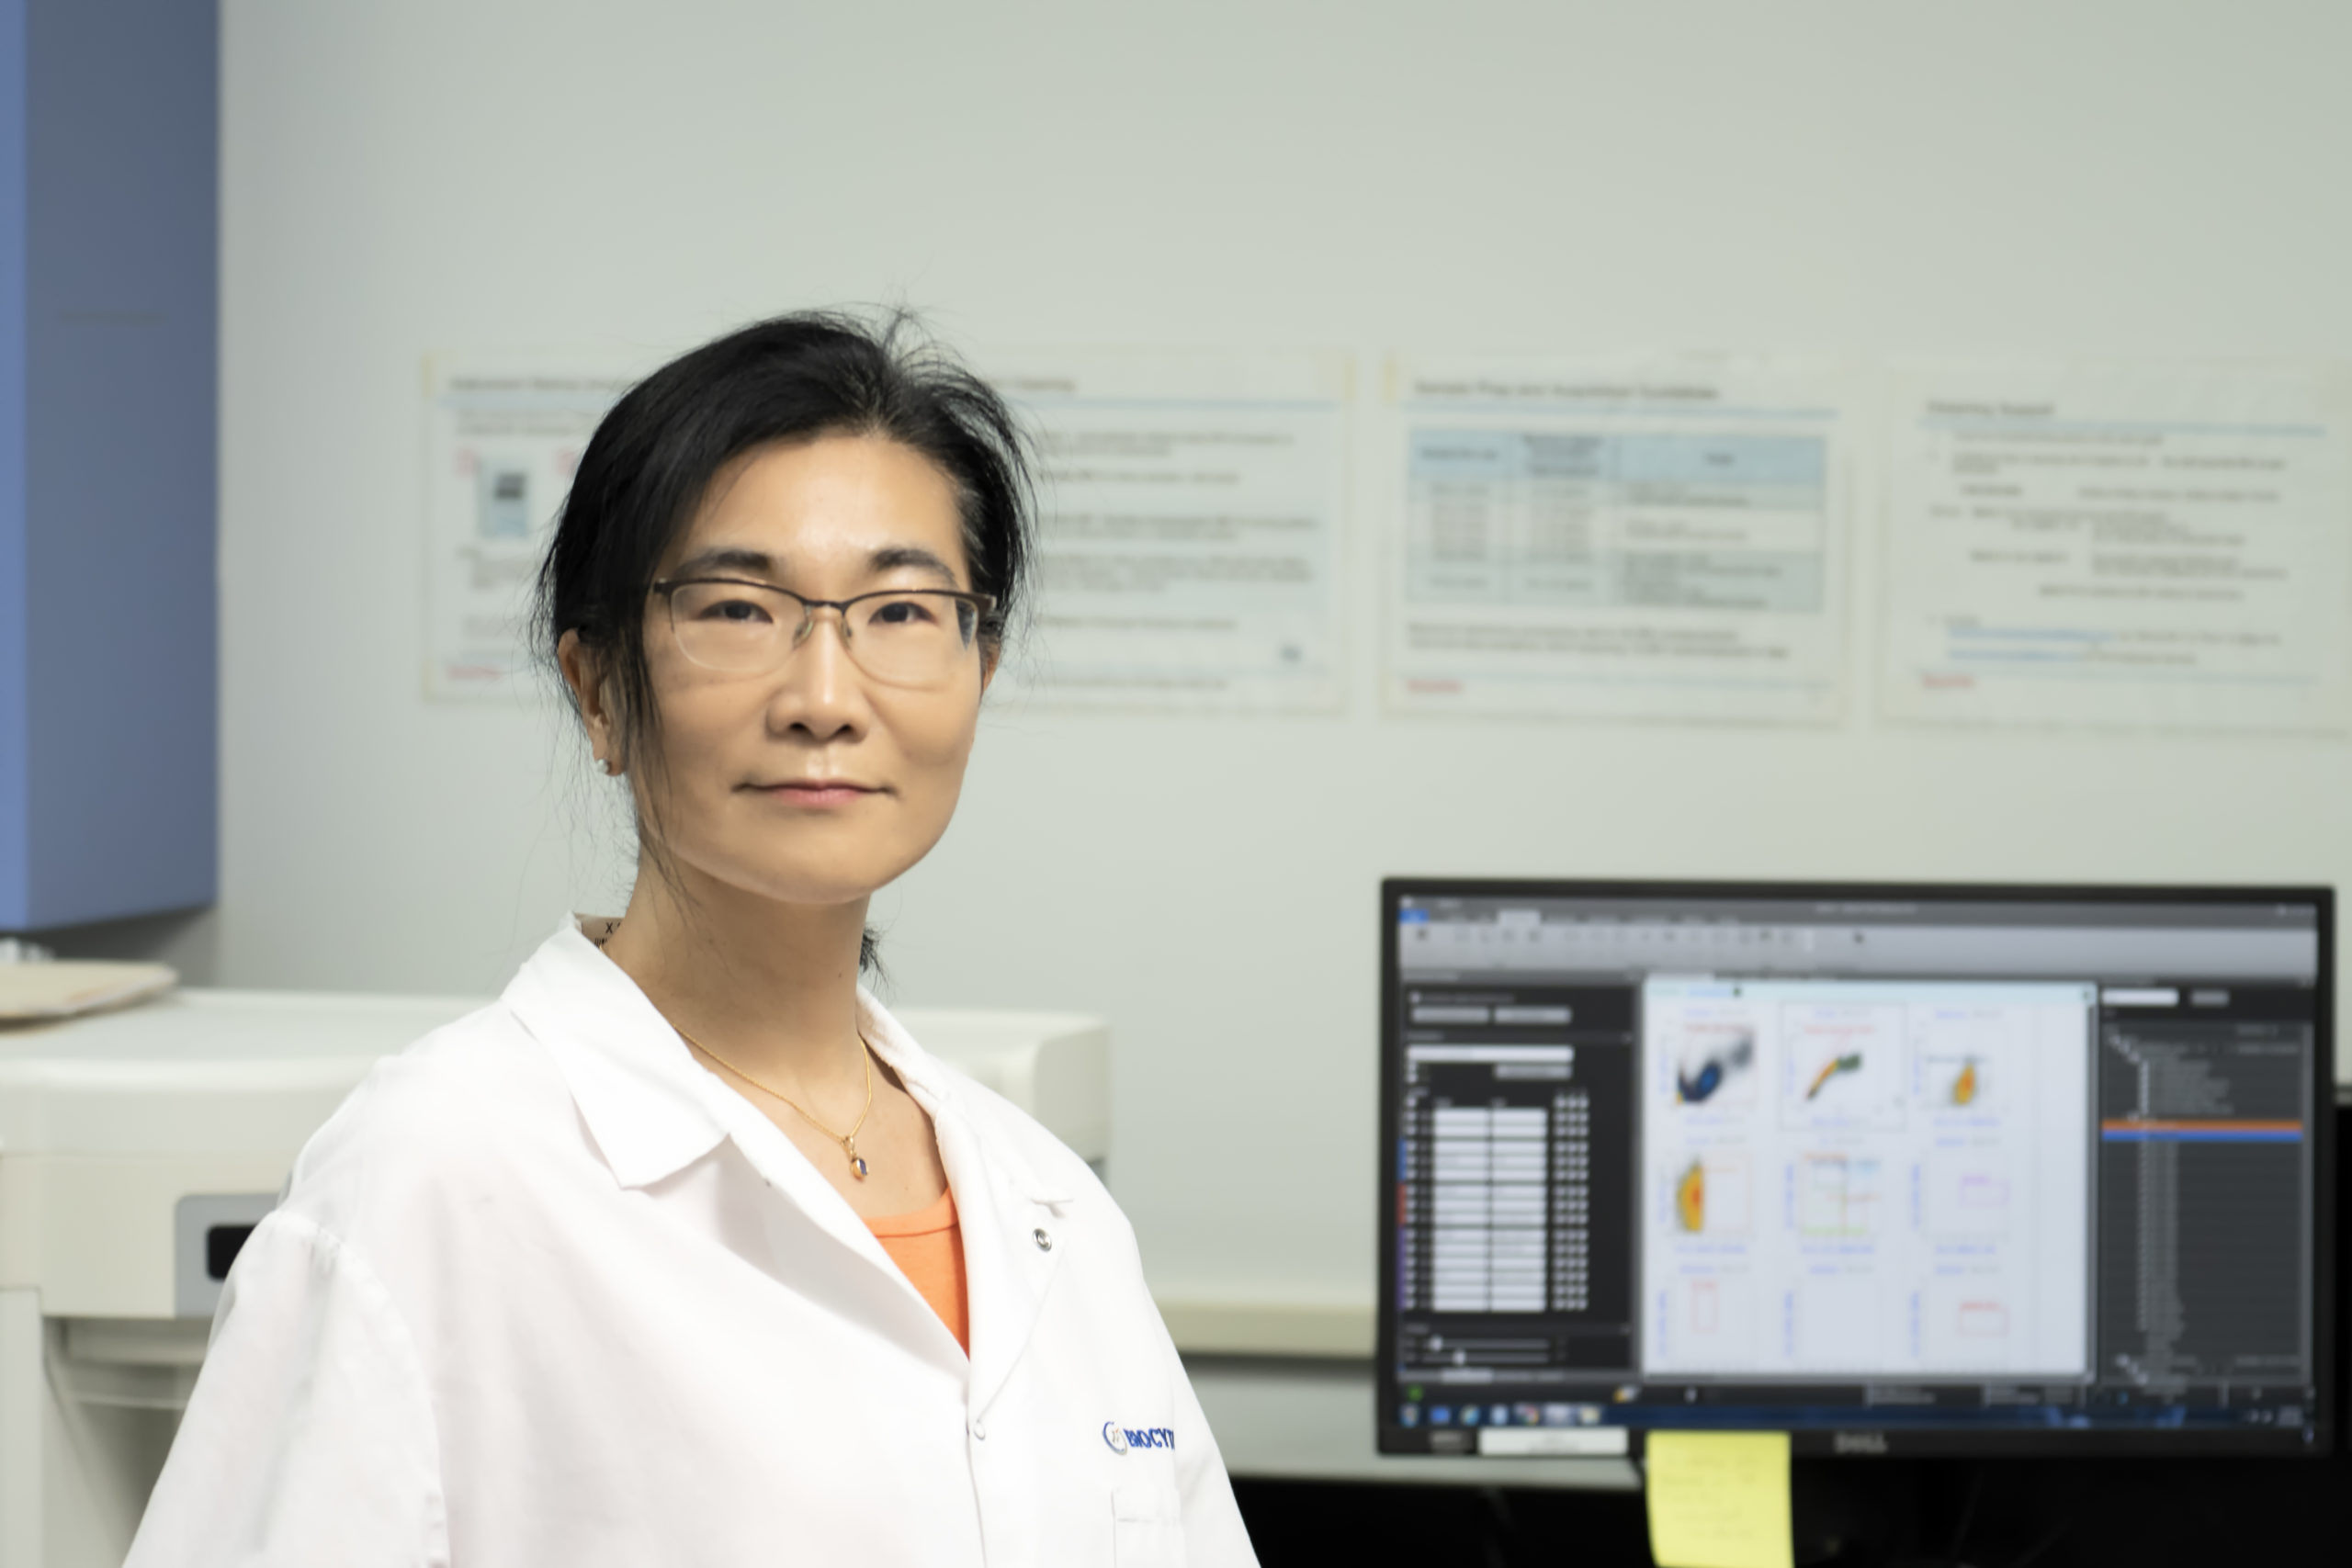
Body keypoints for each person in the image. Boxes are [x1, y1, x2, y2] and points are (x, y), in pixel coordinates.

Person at [126, 312, 1259, 1566]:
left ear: (978, 670)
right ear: (601, 688)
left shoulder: (1051, 1210)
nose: (825, 699)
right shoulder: (432, 1179)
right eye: (735, 609)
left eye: (899, 612)